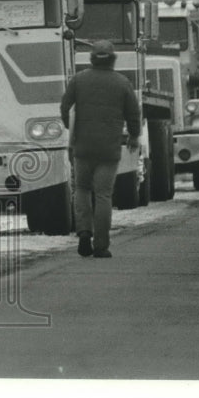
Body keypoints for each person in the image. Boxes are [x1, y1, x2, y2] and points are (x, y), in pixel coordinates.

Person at [59, 39, 142, 259]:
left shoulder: (78, 80)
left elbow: (65, 107)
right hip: (109, 149)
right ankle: (101, 246)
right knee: (103, 195)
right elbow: (134, 114)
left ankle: (84, 232)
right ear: (113, 58)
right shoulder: (122, 83)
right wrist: (134, 135)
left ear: (92, 58)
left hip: (82, 147)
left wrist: (72, 129)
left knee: (83, 190)